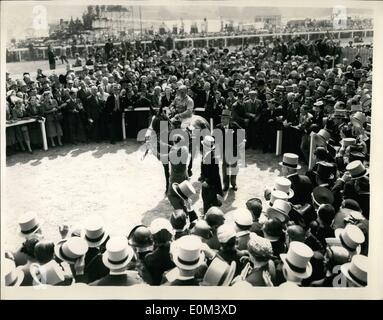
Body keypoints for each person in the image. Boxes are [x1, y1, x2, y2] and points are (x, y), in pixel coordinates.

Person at [215, 109, 246, 191]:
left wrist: (241, 141)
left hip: (233, 150)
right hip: (224, 151)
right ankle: (226, 185)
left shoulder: (234, 125)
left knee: (233, 168)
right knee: (225, 168)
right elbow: (214, 138)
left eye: (224, 118)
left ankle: (233, 184)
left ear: (228, 119)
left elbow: (242, 132)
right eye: (221, 118)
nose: (222, 120)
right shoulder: (218, 127)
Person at [200, 135, 223, 214]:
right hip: (207, 181)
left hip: (211, 183)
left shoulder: (213, 158)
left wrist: (207, 181)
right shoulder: (205, 154)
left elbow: (214, 174)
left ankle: (208, 214)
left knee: (207, 201)